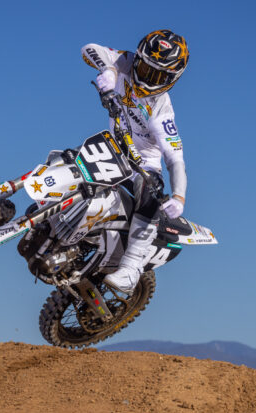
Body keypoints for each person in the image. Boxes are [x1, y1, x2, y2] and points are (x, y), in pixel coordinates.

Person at [81, 30, 189, 294]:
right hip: (111, 151)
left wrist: (179, 197)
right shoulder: (125, 62)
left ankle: (131, 269)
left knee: (149, 189)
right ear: (138, 58)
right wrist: (109, 70)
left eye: (157, 75)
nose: (147, 77)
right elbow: (88, 48)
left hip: (141, 166)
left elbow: (175, 159)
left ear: (171, 79)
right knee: (69, 160)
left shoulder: (161, 110)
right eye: (145, 68)